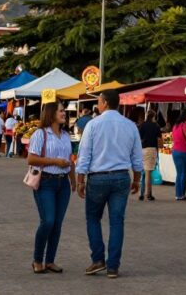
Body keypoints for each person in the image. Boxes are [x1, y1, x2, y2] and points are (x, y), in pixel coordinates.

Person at [75, 90, 142, 279]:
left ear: (104, 102)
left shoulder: (93, 124)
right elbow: (137, 157)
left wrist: (80, 180)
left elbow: (84, 155)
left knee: (93, 218)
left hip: (97, 178)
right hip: (121, 177)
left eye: (99, 101)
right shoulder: (130, 125)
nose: (97, 104)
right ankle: (113, 266)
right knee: (117, 221)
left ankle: (98, 259)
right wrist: (137, 179)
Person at [27, 102, 75, 274]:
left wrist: (74, 180)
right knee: (48, 221)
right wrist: (55, 161)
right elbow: (31, 159)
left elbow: (70, 159)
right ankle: (37, 259)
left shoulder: (65, 135)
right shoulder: (40, 134)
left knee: (57, 224)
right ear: (51, 113)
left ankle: (50, 261)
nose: (64, 113)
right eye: (61, 111)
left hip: (63, 183)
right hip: (45, 182)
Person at [138, 110, 162, 201]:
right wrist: (160, 146)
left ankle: (141, 193)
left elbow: (139, 138)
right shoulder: (156, 126)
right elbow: (159, 139)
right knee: (148, 173)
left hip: (142, 149)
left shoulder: (142, 125)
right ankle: (148, 194)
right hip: (151, 149)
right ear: (153, 117)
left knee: (143, 172)